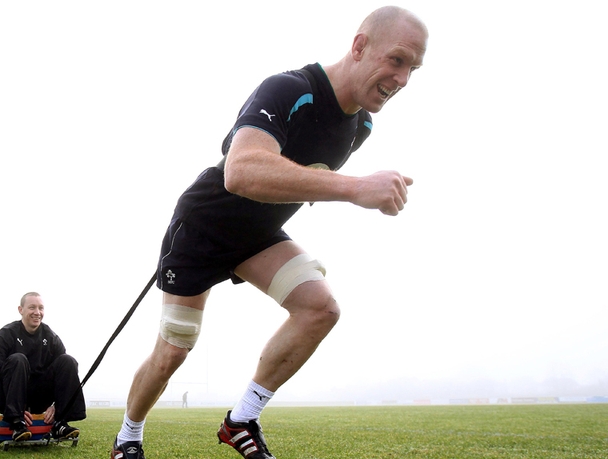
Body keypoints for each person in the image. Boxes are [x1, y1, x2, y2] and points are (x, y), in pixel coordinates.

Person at [109, 6, 428, 459]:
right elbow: (240, 173)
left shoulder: (362, 126)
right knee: (174, 349)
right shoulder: (290, 88)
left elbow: (305, 177)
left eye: (413, 68)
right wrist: (356, 188)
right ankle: (128, 438)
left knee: (321, 308)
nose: (403, 79)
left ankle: (241, 420)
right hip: (203, 226)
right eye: (397, 60)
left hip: (258, 235)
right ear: (360, 46)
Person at [0, 292, 86, 442]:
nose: (37, 313)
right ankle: (17, 424)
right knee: (18, 359)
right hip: (15, 398)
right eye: (32, 307)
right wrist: (7, 409)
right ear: (21, 309)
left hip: (41, 396)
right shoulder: (6, 335)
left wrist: (56, 406)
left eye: (41, 308)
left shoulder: (50, 336)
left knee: (68, 361)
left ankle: (60, 423)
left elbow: (66, 371)